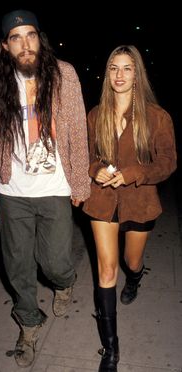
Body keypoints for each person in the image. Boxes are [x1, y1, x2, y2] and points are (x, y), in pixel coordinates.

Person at [0, 9, 90, 368]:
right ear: (5, 46)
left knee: (55, 262)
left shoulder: (64, 75)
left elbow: (76, 131)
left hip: (55, 186)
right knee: (17, 266)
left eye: (30, 35)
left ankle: (65, 282)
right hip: (14, 191)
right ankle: (28, 323)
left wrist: (80, 183)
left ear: (40, 39)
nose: (25, 44)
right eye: (16, 38)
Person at [83, 45, 177, 372]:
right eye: (113, 68)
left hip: (140, 200)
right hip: (102, 200)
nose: (119, 75)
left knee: (130, 261)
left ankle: (135, 278)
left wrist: (135, 173)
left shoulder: (157, 116)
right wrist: (94, 168)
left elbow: (168, 163)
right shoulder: (96, 114)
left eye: (127, 69)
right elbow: (86, 155)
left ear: (137, 75)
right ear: (107, 74)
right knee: (106, 271)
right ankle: (111, 351)